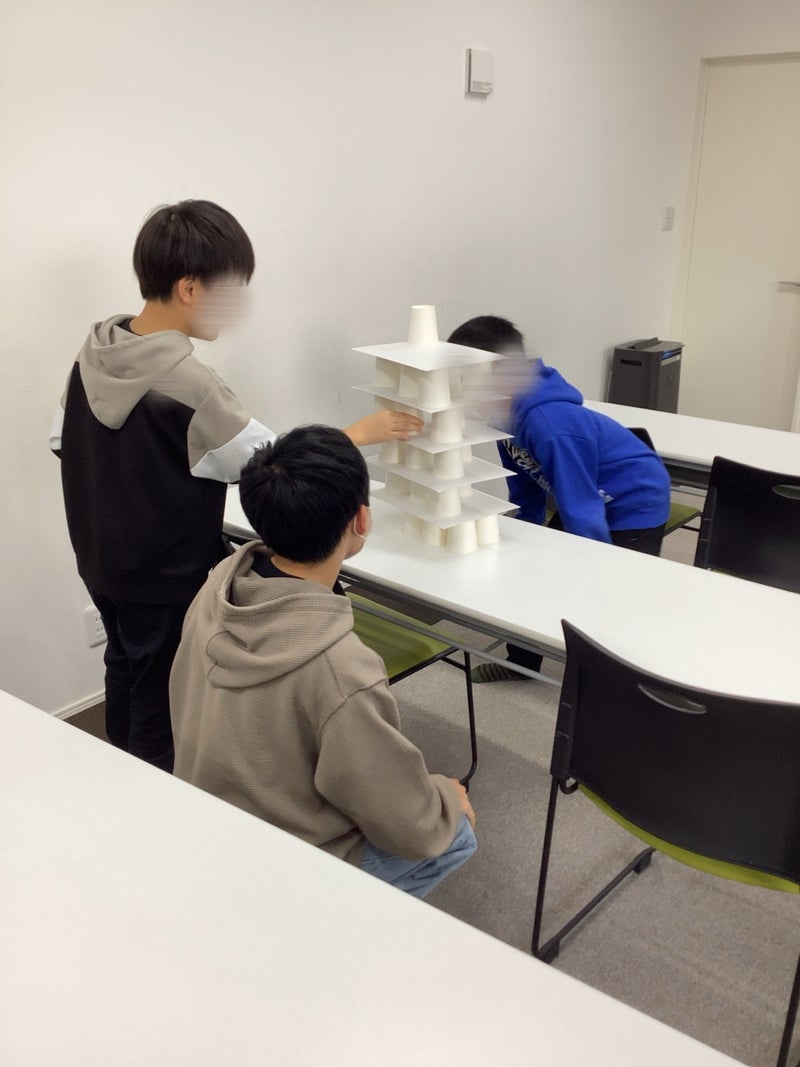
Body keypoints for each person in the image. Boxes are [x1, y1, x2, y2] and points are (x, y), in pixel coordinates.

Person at [50, 199, 422, 771]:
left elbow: (63, 442)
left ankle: (118, 774)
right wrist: (360, 433)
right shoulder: (189, 384)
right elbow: (275, 465)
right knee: (163, 702)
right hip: (167, 581)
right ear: (190, 288)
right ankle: (154, 799)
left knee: (124, 669)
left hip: (100, 561)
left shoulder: (92, 356)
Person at [169, 425, 477, 898]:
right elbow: (409, 824)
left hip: (205, 813)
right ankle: (323, 919)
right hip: (280, 863)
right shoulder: (340, 670)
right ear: (361, 520)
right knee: (454, 834)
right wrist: (444, 799)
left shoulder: (220, 584)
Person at [448, 315, 671, 683]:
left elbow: (581, 508)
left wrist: (594, 569)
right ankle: (521, 664)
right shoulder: (503, 413)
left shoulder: (550, 423)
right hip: (585, 497)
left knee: (616, 594)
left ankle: (617, 682)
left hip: (635, 500)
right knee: (531, 574)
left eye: (463, 379)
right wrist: (527, 540)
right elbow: (524, 482)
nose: (458, 390)